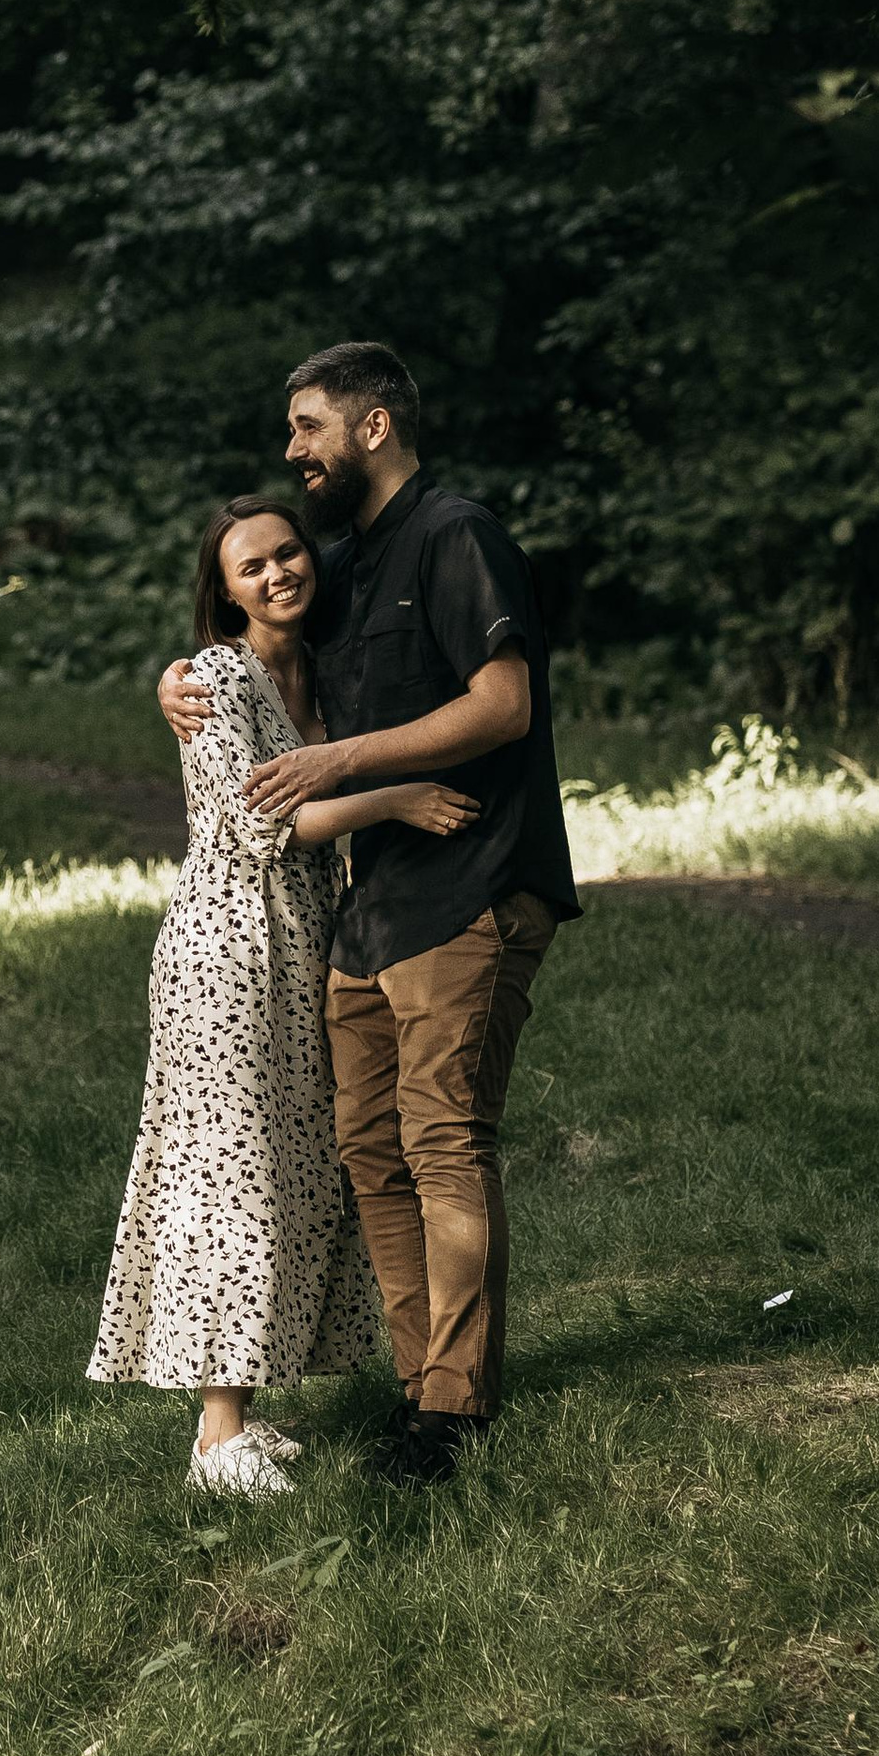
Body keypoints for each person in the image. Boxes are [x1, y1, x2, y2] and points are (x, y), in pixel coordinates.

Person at [160, 343, 578, 1485]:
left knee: (442, 1140)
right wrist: (177, 680)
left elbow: (503, 703)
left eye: (307, 427)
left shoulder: (456, 535)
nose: (293, 450)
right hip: (372, 909)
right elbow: (257, 623)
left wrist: (345, 760)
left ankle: (453, 1415)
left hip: (475, 884)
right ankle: (417, 1386)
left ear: (374, 425)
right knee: (369, 1155)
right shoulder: (343, 561)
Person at [91, 491, 483, 1497]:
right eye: (250, 567)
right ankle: (215, 1436)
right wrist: (395, 796)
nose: (277, 574)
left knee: (293, 1167)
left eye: (285, 554)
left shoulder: (321, 666)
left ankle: (244, 1410)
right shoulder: (217, 678)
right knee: (235, 1184)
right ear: (222, 594)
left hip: (303, 939)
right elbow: (264, 822)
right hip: (226, 949)